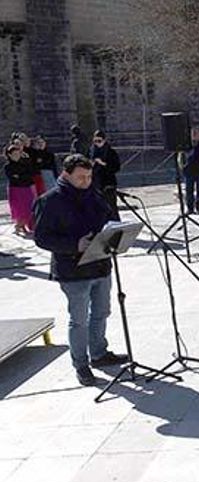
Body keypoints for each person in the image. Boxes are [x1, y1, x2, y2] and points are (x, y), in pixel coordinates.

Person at [33, 154, 129, 386]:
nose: (86, 181)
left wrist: (113, 233)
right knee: (79, 320)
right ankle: (81, 364)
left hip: (100, 264)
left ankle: (98, 353)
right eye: (81, 178)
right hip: (73, 270)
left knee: (101, 312)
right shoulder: (50, 200)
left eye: (88, 176)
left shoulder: (94, 194)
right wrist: (74, 245)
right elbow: (42, 238)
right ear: (65, 174)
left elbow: (108, 217)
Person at [3, 145, 38, 235]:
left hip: (26, 187)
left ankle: (20, 226)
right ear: (9, 155)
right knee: (19, 209)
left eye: (18, 153)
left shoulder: (25, 163)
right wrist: (22, 176)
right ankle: (20, 226)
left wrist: (21, 175)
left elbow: (30, 174)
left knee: (28, 207)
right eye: (14, 154)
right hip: (15, 189)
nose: (17, 155)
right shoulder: (8, 166)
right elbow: (14, 178)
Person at [88, 130, 121, 220]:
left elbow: (116, 167)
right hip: (95, 183)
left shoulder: (111, 152)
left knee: (111, 207)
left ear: (104, 140)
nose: (97, 143)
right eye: (95, 141)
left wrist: (103, 163)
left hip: (108, 183)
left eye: (99, 141)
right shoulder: (91, 151)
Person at [183, 127, 199, 214]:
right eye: (193, 133)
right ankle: (190, 208)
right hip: (189, 172)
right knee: (189, 191)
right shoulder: (186, 145)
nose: (194, 135)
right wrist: (183, 167)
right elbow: (181, 158)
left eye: (196, 133)